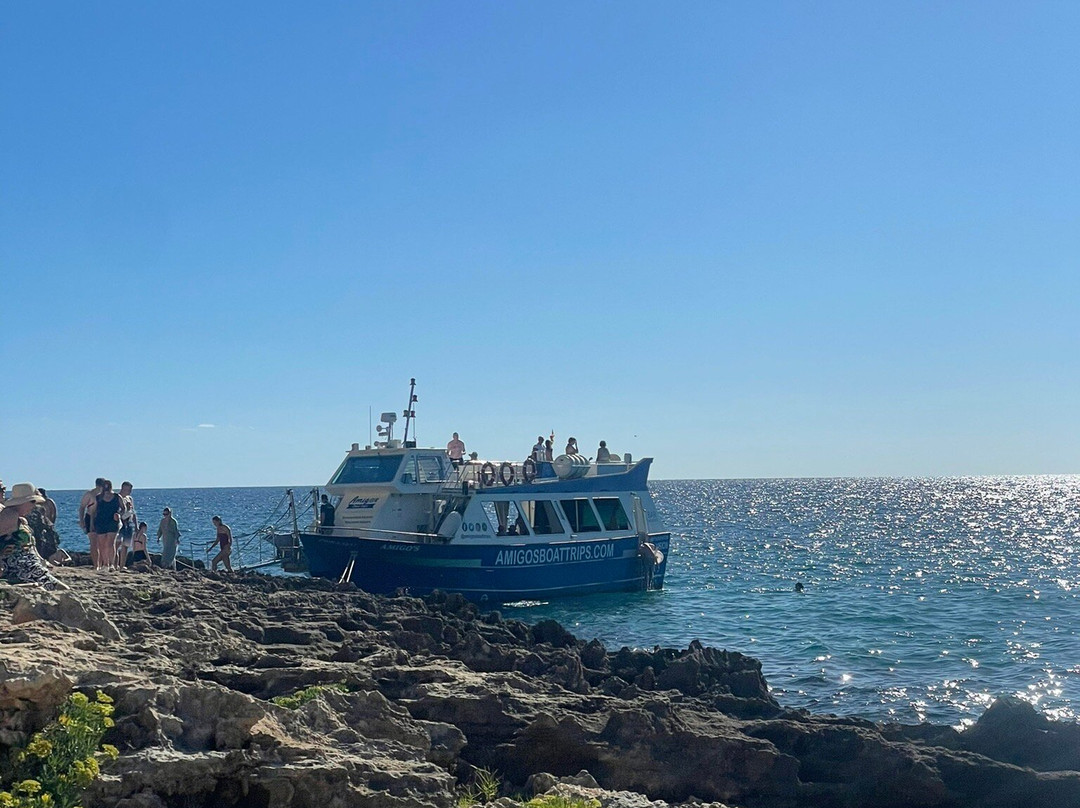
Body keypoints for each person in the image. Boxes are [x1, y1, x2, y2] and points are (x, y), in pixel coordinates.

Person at [0, 484, 64, 590]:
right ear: (23, 502)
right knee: (62, 590)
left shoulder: (17, 517)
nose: (34, 506)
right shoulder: (10, 515)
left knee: (60, 590)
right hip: (21, 568)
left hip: (29, 567)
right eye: (32, 502)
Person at [88, 479, 122, 570]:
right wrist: (91, 524)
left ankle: (111, 564)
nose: (106, 488)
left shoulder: (116, 497)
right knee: (102, 544)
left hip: (113, 521)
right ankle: (105, 564)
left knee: (111, 543)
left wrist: (119, 515)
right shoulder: (98, 497)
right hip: (100, 522)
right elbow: (93, 512)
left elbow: (124, 508)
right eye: (105, 486)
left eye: (108, 486)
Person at [79, 478, 104, 563]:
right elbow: (82, 507)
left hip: (101, 519)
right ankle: (96, 564)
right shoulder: (89, 494)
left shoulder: (105, 494)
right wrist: (82, 521)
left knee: (101, 543)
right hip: (90, 517)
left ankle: (101, 563)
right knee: (93, 542)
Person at [116, 481, 137, 568]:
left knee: (126, 545)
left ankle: (122, 565)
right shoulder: (117, 497)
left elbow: (133, 512)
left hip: (129, 523)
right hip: (121, 522)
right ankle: (114, 564)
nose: (129, 492)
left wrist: (136, 525)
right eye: (128, 489)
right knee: (117, 544)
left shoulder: (130, 498)